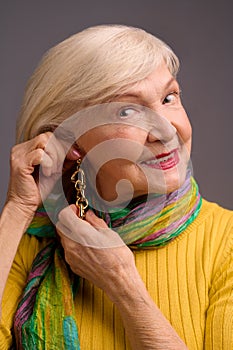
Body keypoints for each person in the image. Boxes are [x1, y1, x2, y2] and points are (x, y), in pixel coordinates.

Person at [0, 24, 232, 350]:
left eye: (169, 98)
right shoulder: (26, 245)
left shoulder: (226, 242)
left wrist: (122, 284)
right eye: (127, 111)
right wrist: (17, 210)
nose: (166, 130)